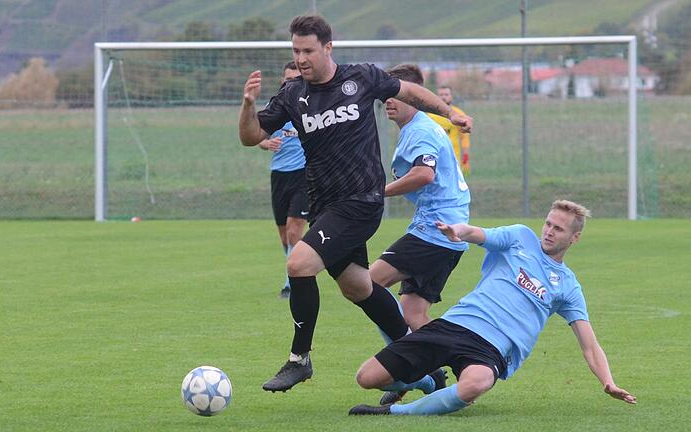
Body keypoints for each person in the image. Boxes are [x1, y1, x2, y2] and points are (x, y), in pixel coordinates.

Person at [238, 14, 473, 393]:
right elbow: (251, 137)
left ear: (328, 48)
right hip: (325, 207)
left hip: (361, 202)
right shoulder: (291, 95)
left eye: (308, 51)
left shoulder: (360, 77)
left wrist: (451, 113)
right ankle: (423, 369)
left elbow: (410, 92)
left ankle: (300, 360)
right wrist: (248, 104)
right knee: (358, 287)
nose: (301, 58)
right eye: (295, 50)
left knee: (298, 263)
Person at [349, 200, 637, 415]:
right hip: (455, 324)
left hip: (492, 348)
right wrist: (457, 231)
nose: (548, 232)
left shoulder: (568, 286)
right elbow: (477, 233)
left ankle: (396, 413)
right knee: (367, 378)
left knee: (477, 382)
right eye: (548, 223)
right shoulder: (520, 238)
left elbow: (589, 344)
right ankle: (426, 382)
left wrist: (607, 382)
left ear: (574, 238)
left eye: (558, 228)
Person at [369, 63, 471, 405]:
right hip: (443, 231)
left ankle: (403, 368)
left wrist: (378, 191)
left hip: (436, 230)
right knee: (413, 313)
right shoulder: (414, 129)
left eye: (396, 94)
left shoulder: (421, 130)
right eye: (385, 95)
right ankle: (454, 363)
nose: (388, 101)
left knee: (369, 284)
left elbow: (424, 175)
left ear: (415, 96)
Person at [257, 61, 309, 299]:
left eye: (295, 79)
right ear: (282, 81)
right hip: (279, 175)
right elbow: (257, 135)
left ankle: (292, 282)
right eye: (287, 79)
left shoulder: (310, 106)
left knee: (294, 230)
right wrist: (266, 143)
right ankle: (296, 265)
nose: (291, 83)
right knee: (283, 235)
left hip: (305, 175)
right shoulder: (275, 106)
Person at [427, 86, 472, 175]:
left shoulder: (458, 114)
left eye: (446, 94)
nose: (443, 97)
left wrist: (466, 156)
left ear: (451, 96)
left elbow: (464, 137)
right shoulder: (430, 115)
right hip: (434, 157)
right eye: (441, 95)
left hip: (453, 158)